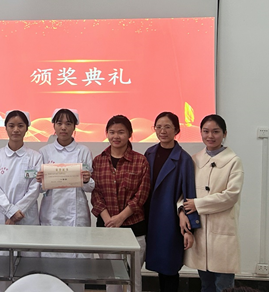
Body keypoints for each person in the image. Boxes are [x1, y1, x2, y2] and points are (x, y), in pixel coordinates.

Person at [182, 114, 244, 292]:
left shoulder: (233, 161)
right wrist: (181, 211)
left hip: (223, 231)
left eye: (216, 131)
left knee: (224, 286)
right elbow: (184, 192)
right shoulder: (194, 160)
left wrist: (198, 204)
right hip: (200, 232)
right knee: (206, 284)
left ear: (224, 133)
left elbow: (231, 195)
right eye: (206, 131)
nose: (210, 136)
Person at [91, 114, 150, 292]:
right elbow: (95, 193)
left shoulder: (140, 161)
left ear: (130, 134)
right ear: (107, 134)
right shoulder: (98, 160)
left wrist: (121, 218)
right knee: (112, 278)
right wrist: (108, 219)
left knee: (134, 278)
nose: (116, 136)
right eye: (112, 132)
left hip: (134, 227)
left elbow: (142, 194)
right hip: (106, 227)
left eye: (121, 132)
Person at [37, 108, 94, 292]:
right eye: (59, 123)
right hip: (51, 214)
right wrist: (40, 181)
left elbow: (90, 187)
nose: (63, 127)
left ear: (74, 127)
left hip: (76, 215)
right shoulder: (44, 152)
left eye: (68, 123)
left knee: (77, 264)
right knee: (51, 262)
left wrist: (87, 179)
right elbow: (39, 189)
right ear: (53, 126)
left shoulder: (83, 151)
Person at [0, 110, 42, 292]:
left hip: (27, 218)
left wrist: (18, 212)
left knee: (28, 266)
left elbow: (35, 187)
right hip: (2, 218)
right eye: (11, 125)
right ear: (6, 128)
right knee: (1, 266)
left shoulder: (35, 157)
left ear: (27, 128)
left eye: (20, 126)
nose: (16, 130)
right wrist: (10, 211)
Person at [144, 112, 200, 292]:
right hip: (149, 217)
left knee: (169, 268)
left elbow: (189, 193)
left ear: (176, 130)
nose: (162, 131)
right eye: (159, 127)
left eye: (167, 127)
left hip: (170, 220)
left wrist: (190, 228)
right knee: (157, 265)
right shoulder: (149, 153)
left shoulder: (183, 158)